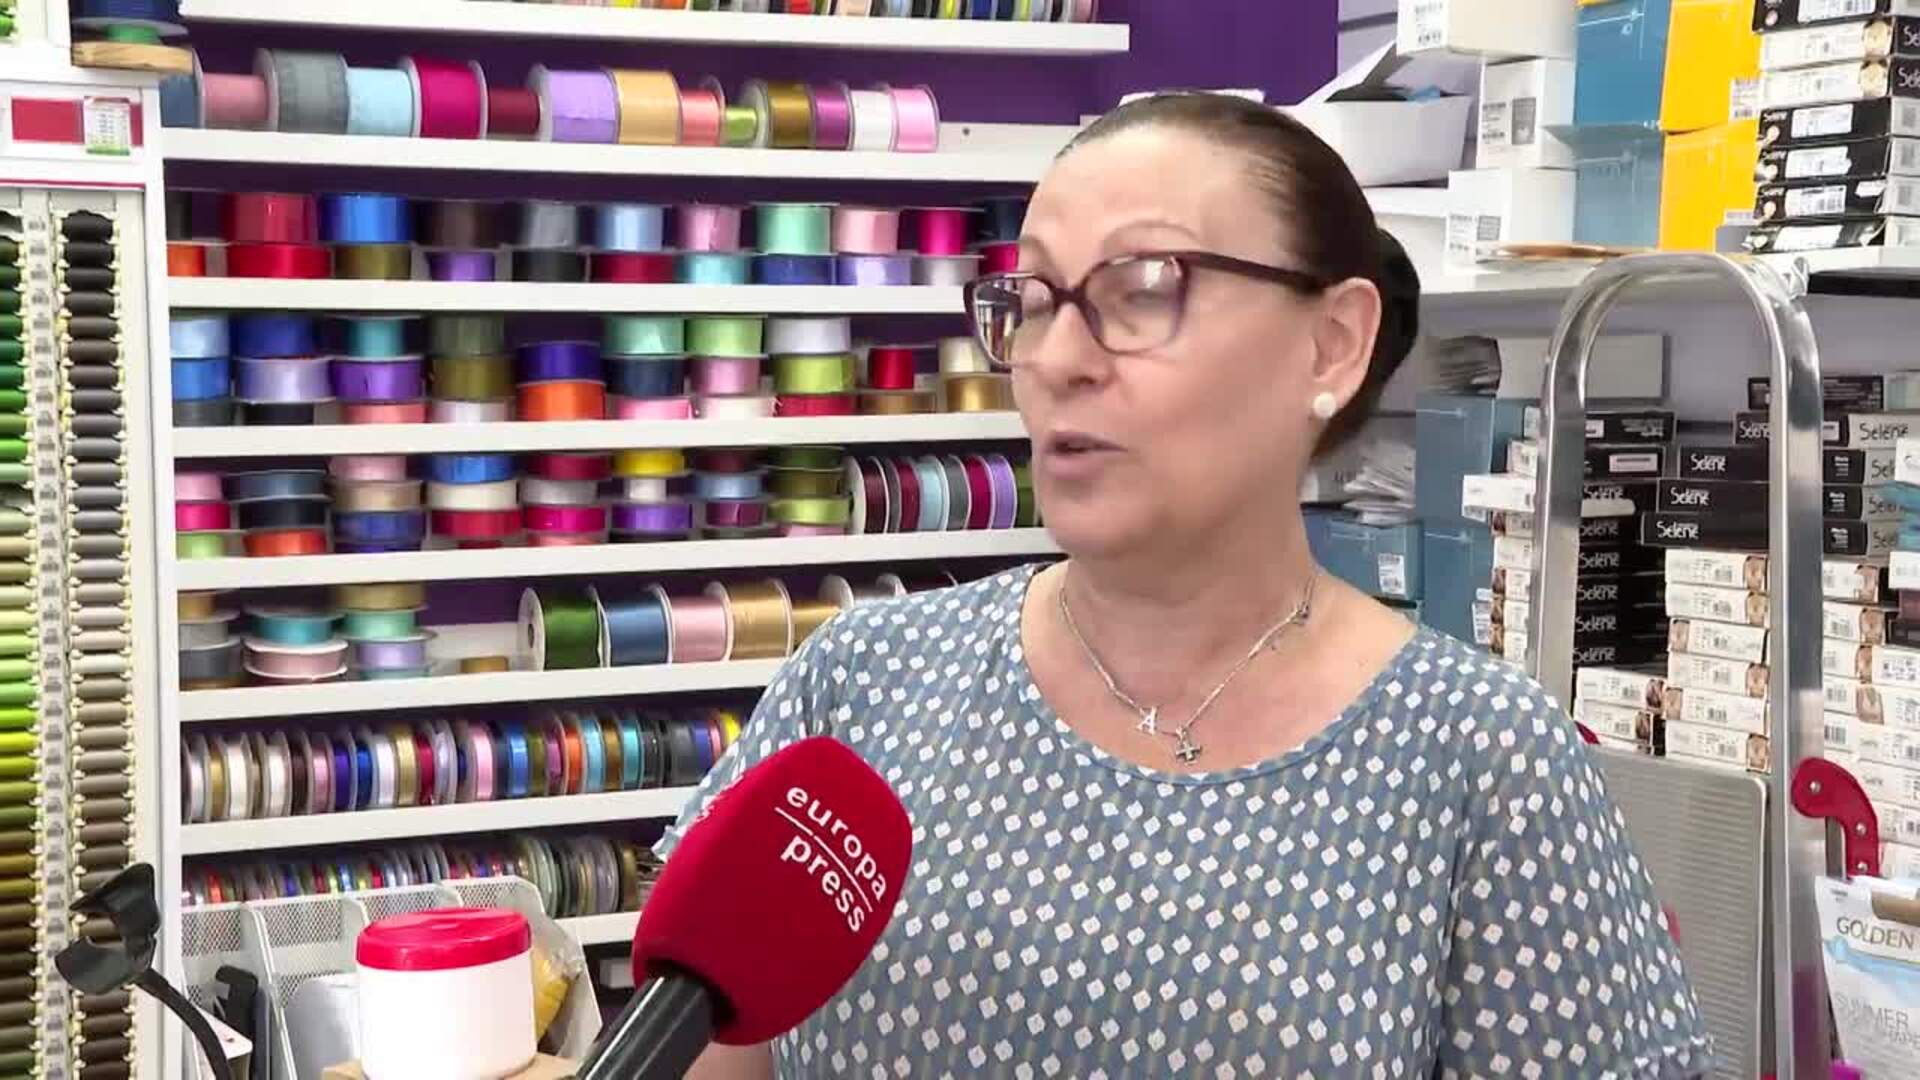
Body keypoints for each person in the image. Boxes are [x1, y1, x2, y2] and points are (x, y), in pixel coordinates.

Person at [661, 92, 1711, 1078]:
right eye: (1032, 299)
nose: (1056, 359)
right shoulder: (862, 685)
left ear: (1331, 344)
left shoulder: (1482, 757)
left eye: (1142, 290)